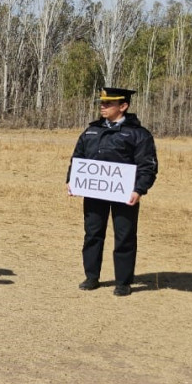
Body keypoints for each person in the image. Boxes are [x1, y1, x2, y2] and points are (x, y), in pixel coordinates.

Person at [67, 87, 158, 297]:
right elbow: (77, 158)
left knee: (125, 236)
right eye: (102, 103)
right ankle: (91, 277)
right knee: (92, 234)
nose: (103, 106)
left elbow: (148, 165)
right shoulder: (91, 131)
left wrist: (139, 189)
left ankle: (123, 282)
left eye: (109, 104)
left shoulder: (139, 134)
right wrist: (71, 180)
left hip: (125, 195)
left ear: (123, 106)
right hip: (94, 193)